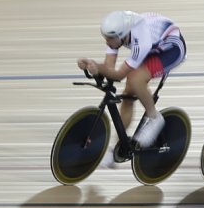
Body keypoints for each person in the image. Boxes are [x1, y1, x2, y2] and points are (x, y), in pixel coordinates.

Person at [76, 10, 186, 150]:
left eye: (109, 38)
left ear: (121, 35)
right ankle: (121, 144)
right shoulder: (116, 34)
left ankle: (154, 118)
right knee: (128, 95)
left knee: (135, 79)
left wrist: (97, 66)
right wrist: (92, 65)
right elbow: (109, 68)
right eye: (105, 37)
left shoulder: (141, 40)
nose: (107, 41)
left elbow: (119, 75)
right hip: (153, 47)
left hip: (171, 49)